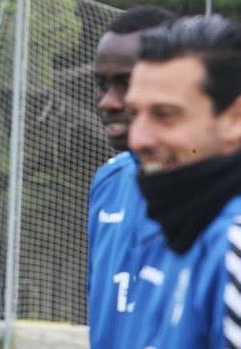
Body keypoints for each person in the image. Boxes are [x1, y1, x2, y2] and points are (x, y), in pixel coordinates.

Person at [119, 15, 241, 347]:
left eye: (165, 115)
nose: (138, 139)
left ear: (234, 119)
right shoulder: (183, 225)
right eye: (134, 114)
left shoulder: (234, 244)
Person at [87, 6, 176, 348]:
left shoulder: (225, 195)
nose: (109, 102)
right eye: (102, 84)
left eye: (128, 83)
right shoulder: (108, 181)